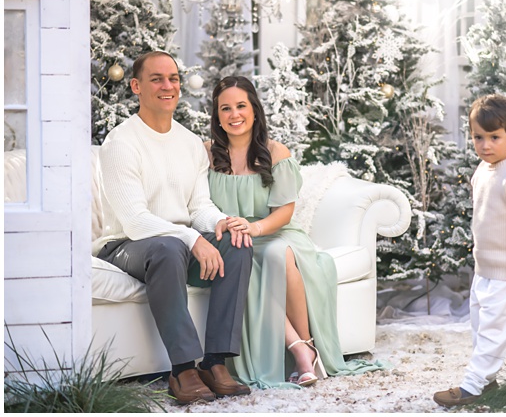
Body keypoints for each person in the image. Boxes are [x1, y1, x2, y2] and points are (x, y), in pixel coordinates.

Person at [94, 52, 253, 404]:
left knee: (237, 243)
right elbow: (135, 220)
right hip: (127, 244)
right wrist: (193, 238)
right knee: (167, 246)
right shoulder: (121, 143)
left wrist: (221, 223)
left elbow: (198, 207)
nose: (168, 86)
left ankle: (215, 363)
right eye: (156, 79)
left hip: (178, 245)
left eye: (173, 78)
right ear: (136, 86)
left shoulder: (190, 143)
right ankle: (182, 369)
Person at [206, 76, 385, 388]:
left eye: (241, 106)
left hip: (275, 233)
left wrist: (255, 227)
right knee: (242, 261)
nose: (234, 114)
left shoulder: (275, 152)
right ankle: (302, 351)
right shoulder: (207, 154)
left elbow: (285, 212)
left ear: (254, 110)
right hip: (233, 240)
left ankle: (306, 344)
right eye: (226, 108)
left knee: (277, 254)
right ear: (217, 115)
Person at [433, 94, 506, 407]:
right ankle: (489, 382)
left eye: (494, 138)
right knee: (480, 326)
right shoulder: (482, 170)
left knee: (494, 330)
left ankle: (471, 386)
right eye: (478, 138)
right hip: (483, 269)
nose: (485, 145)